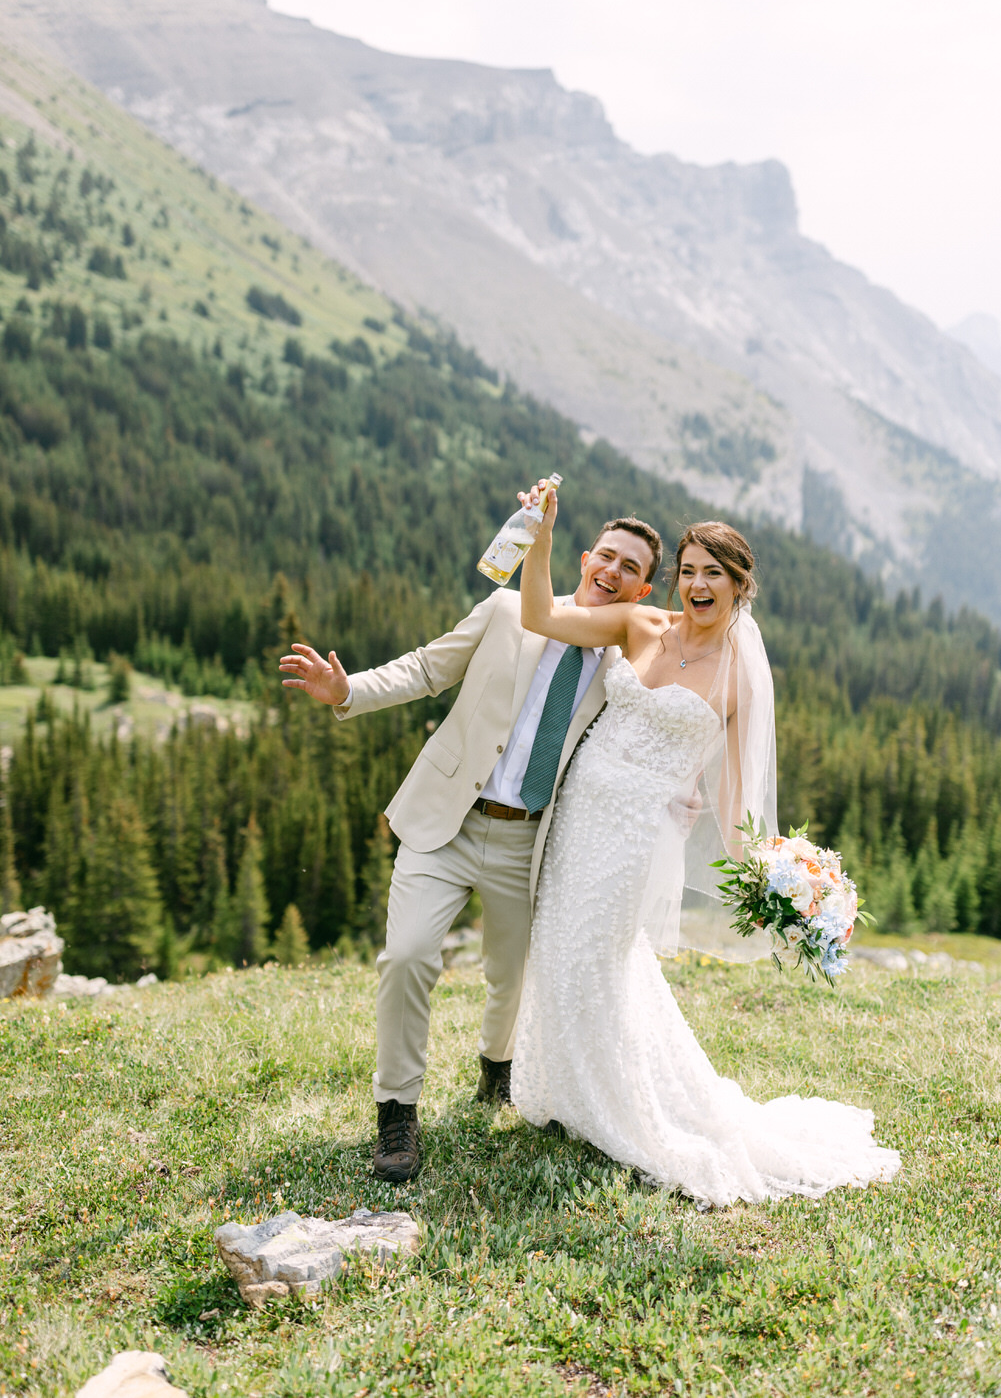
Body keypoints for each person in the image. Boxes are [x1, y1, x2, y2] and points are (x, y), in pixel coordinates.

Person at [512, 492, 901, 1206]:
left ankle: (620, 1106)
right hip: (575, 818)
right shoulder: (639, 624)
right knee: (560, 947)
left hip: (634, 836)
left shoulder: (740, 677)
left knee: (600, 954)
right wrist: (539, 540)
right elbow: (539, 615)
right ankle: (568, 1089)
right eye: (687, 570)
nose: (695, 584)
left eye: (712, 573)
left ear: (738, 584)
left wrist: (782, 881)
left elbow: (733, 801)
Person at [278, 511, 662, 1182]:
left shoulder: (626, 668)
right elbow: (427, 669)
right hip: (444, 822)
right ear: (580, 559)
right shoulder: (505, 609)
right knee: (406, 956)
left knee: (511, 976)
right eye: (606, 556)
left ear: (643, 593)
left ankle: (496, 1067)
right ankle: (396, 1113)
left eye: (630, 568)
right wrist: (348, 690)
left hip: (531, 843)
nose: (612, 571)